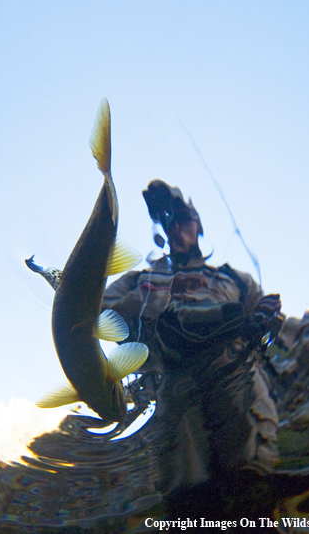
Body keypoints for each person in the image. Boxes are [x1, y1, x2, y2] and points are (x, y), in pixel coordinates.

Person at [101, 180, 284, 496]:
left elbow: (272, 325)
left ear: (198, 225)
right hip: (174, 387)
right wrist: (147, 296)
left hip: (238, 377)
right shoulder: (138, 279)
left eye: (183, 218)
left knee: (254, 484)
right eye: (168, 221)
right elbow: (98, 315)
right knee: (189, 498)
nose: (176, 227)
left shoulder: (236, 279)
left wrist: (266, 319)